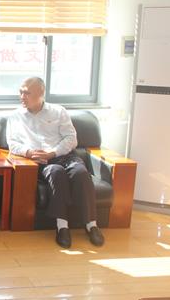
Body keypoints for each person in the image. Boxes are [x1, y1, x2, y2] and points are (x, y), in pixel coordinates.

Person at [6, 77, 104, 249]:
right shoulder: (15, 116)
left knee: (81, 173)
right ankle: (62, 226)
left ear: (41, 93)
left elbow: (71, 138)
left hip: (64, 155)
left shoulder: (58, 111)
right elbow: (12, 144)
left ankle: (91, 224)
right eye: (20, 92)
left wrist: (53, 152)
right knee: (56, 173)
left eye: (27, 93)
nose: (22, 96)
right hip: (41, 161)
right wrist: (29, 152)